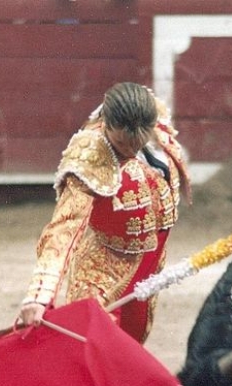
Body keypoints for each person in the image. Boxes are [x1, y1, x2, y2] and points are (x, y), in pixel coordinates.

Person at [18, 82, 190, 343]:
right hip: (102, 268)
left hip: (151, 261)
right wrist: (40, 295)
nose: (131, 149)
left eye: (138, 141)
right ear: (107, 126)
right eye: (122, 143)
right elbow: (63, 229)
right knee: (96, 347)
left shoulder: (153, 119)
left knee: (132, 344)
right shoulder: (89, 155)